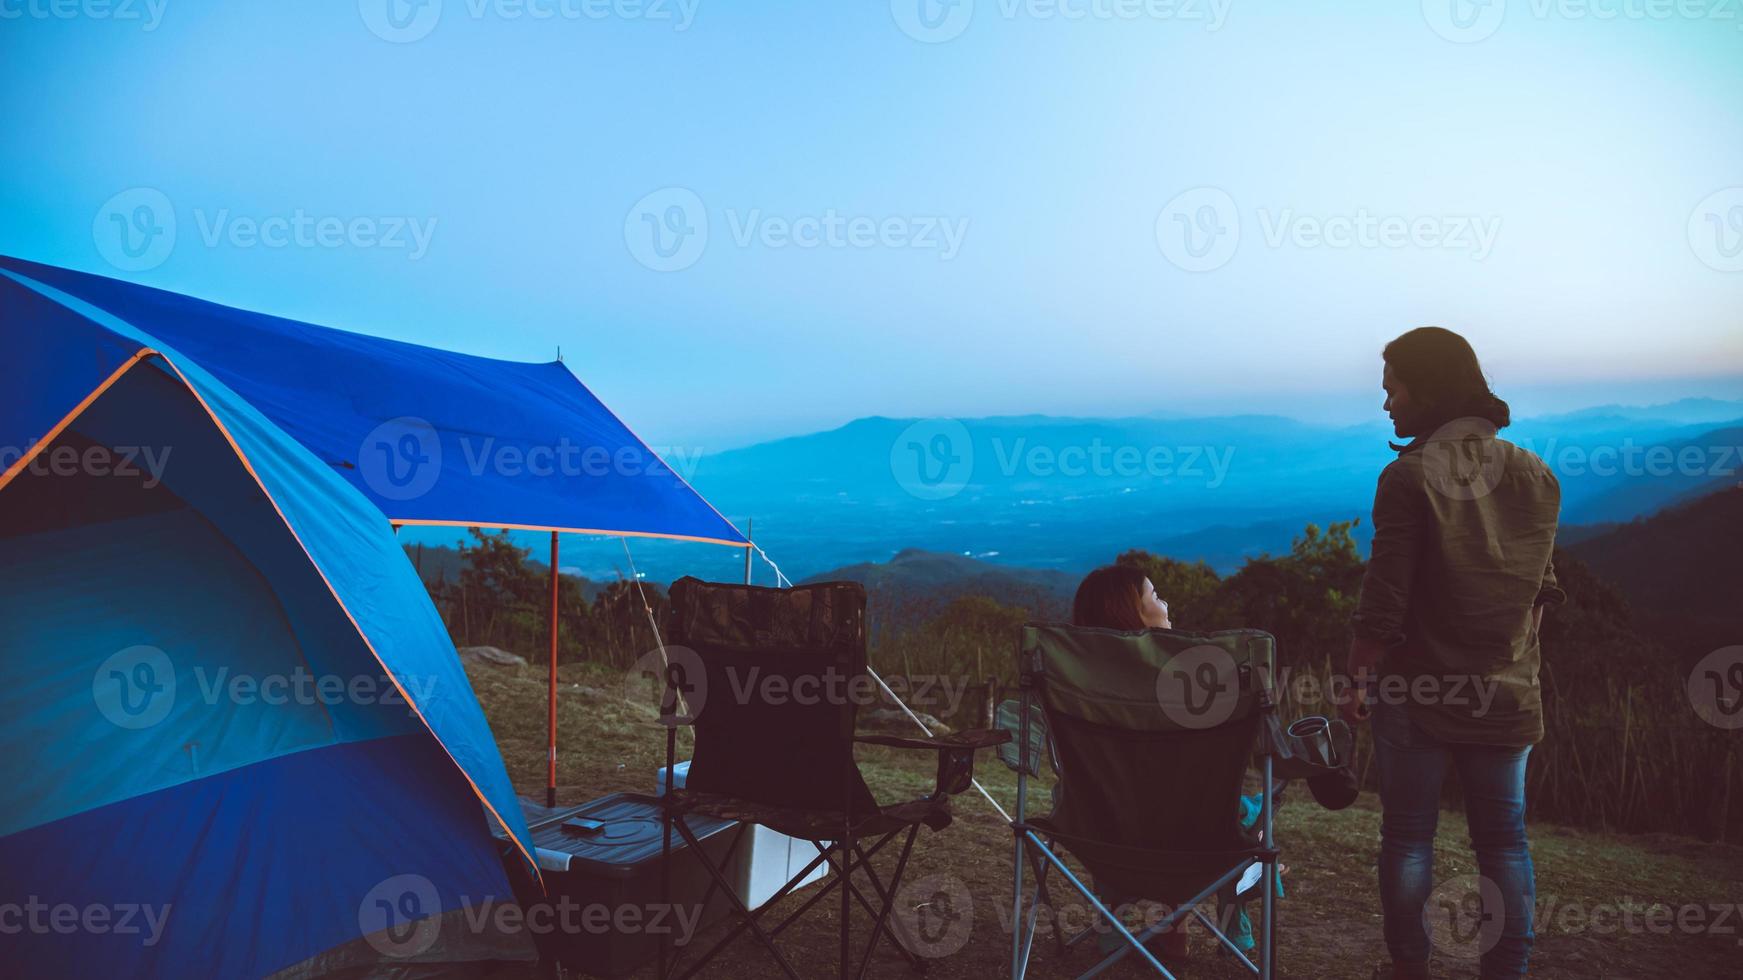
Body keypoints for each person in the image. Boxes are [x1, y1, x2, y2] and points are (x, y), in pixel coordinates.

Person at [1342, 327, 1565, 980]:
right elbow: (1542, 593)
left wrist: (1355, 679)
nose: (1386, 403)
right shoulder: (1536, 474)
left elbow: (1383, 602)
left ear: (1426, 387)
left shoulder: (1407, 477)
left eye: (1393, 388)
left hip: (1419, 693)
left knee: (1409, 838)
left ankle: (1408, 969)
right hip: (1508, 693)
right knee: (1504, 843)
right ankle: (1507, 972)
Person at [1069, 564, 1282, 963]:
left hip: (1108, 838)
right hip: (1201, 838)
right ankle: (1235, 934)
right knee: (1243, 815)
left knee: (1118, 802)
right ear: (1129, 615)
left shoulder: (1081, 688)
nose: (1165, 602)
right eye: (1155, 596)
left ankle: (1129, 935)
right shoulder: (1194, 681)